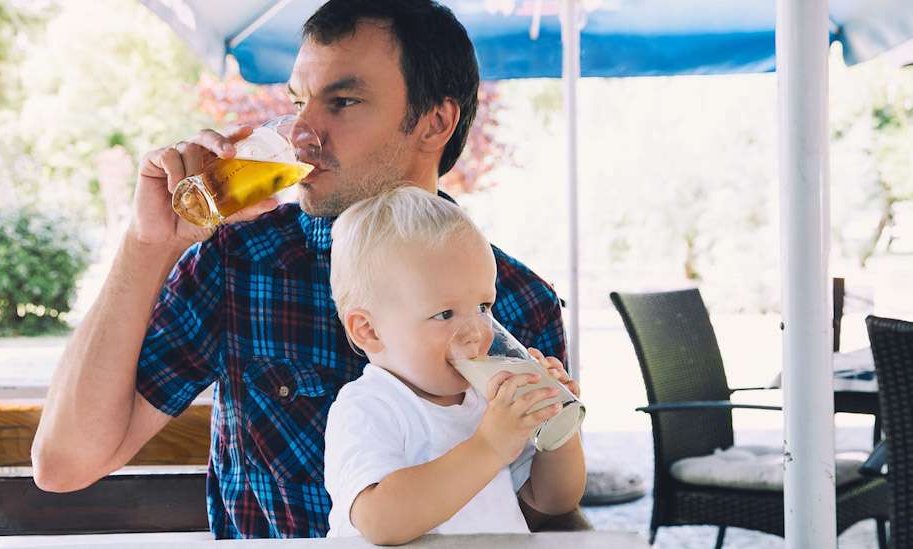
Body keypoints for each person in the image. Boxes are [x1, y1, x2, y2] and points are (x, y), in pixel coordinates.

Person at [31, 0, 577, 538]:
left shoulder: (521, 299)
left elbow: (541, 505)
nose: (300, 133)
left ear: (435, 122)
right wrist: (147, 244)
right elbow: (64, 466)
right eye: (299, 102)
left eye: (341, 102)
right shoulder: (238, 262)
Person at [324, 187, 585, 544]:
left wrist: (557, 428)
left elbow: (553, 502)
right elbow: (380, 520)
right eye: (445, 314)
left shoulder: (486, 400)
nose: (477, 332)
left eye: (483, 307)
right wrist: (489, 446)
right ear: (369, 331)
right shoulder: (367, 407)